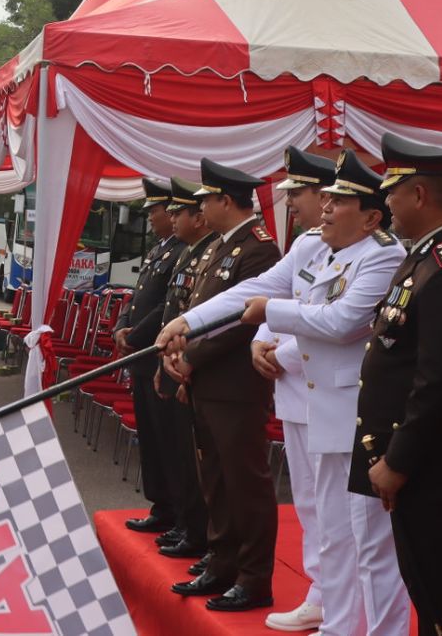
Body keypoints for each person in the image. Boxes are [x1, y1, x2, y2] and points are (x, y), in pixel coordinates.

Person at [163, 151, 410, 636]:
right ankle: (335, 618)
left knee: (358, 533)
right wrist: (188, 322)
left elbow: (340, 323)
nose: (322, 207)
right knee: (325, 521)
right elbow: (260, 289)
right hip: (305, 395)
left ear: (370, 216)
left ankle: (357, 625)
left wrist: (270, 317)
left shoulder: (383, 253)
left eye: (336, 200)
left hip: (348, 410)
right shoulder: (313, 245)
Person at [350, 133, 442, 636]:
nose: (385, 202)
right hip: (418, 467)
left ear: (417, 195)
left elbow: (440, 384)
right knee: (428, 594)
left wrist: (398, 461)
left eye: (391, 192)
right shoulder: (423, 259)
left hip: (434, 471)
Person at [161, 159, 282, 613]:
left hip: (235, 385)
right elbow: (196, 308)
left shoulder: (258, 249)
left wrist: (189, 358)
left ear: (225, 201)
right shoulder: (217, 246)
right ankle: (222, 561)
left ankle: (254, 578)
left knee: (243, 482)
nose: (199, 207)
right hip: (206, 382)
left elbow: (238, 322)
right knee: (215, 478)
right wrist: (179, 356)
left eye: (205, 200)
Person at [113, 179, 183, 538]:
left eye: (155, 211)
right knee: (150, 437)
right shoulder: (158, 249)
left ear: (172, 212)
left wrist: (136, 335)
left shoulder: (183, 250)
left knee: (166, 437)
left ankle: (175, 509)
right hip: (141, 354)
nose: (152, 218)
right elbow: (136, 295)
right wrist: (121, 325)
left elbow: (166, 306)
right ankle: (159, 504)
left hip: (156, 352)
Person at [151, 178, 214, 567]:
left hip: (197, 369)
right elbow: (170, 309)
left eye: (181, 212)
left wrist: (187, 366)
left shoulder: (210, 252)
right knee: (175, 450)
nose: (174, 218)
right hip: (173, 360)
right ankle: (183, 521)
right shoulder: (194, 254)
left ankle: (197, 530)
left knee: (199, 462)